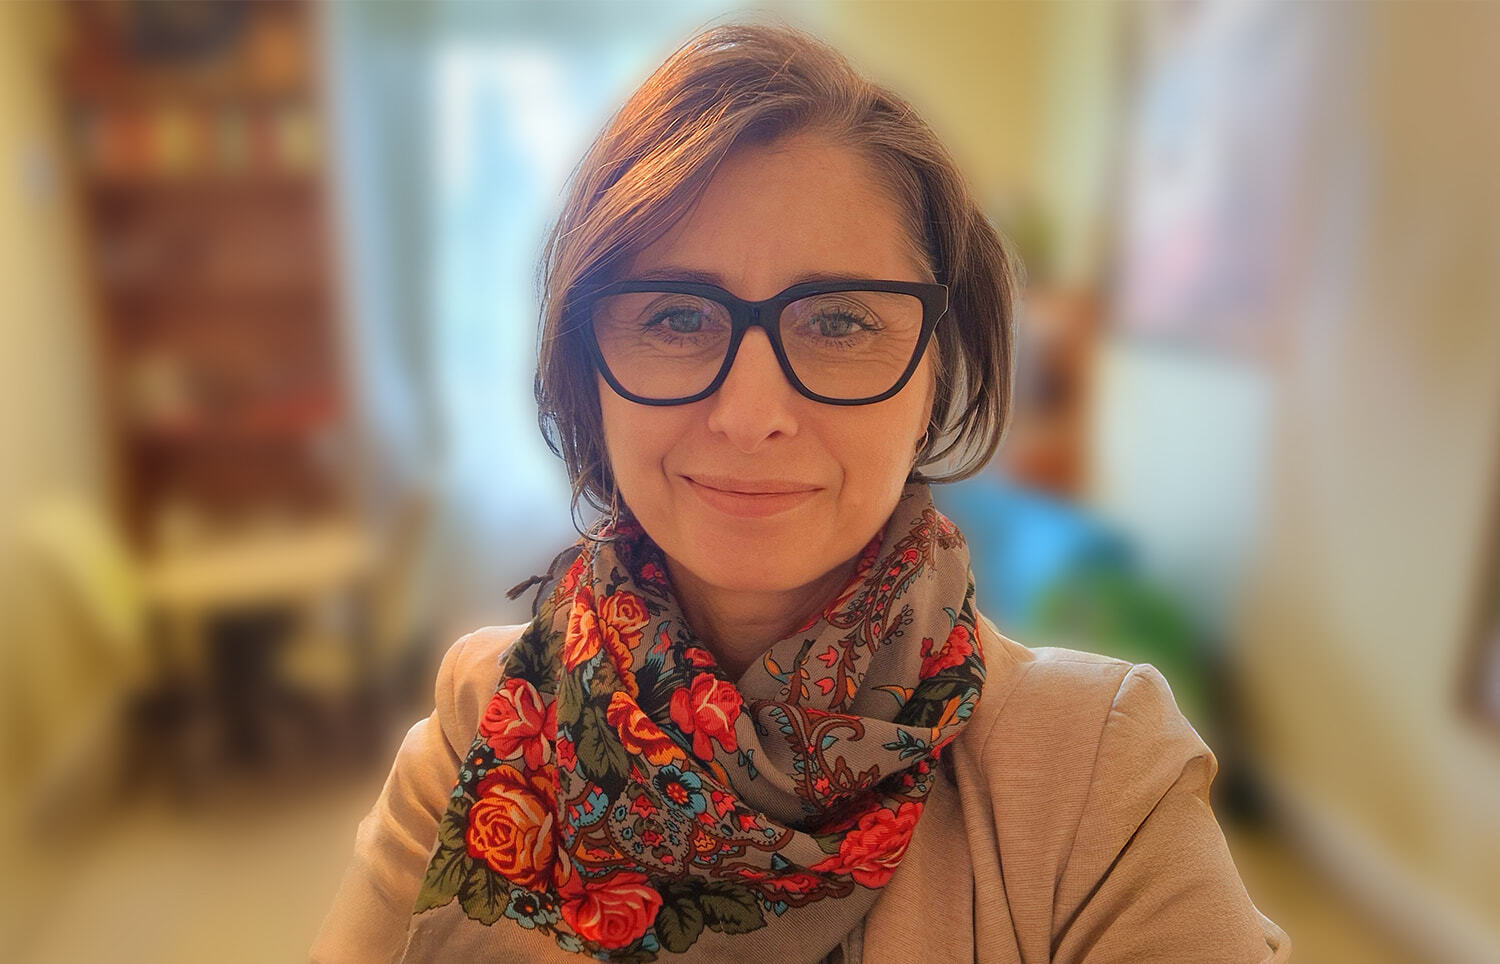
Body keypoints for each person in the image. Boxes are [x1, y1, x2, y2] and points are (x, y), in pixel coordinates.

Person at [312, 22, 1290, 963]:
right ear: (587, 366)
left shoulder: (1099, 772)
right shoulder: (480, 722)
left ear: (935, 378)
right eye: (678, 315)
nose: (750, 415)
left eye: (838, 321)